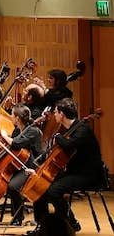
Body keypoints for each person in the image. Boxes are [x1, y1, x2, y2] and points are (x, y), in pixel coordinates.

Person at [31, 98, 103, 233]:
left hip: (88, 174)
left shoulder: (82, 130)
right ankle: (43, 226)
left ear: (62, 114)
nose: (55, 115)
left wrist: (57, 136)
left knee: (54, 191)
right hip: (74, 171)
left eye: (56, 112)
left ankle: (70, 223)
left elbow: (68, 145)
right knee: (40, 187)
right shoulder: (71, 129)